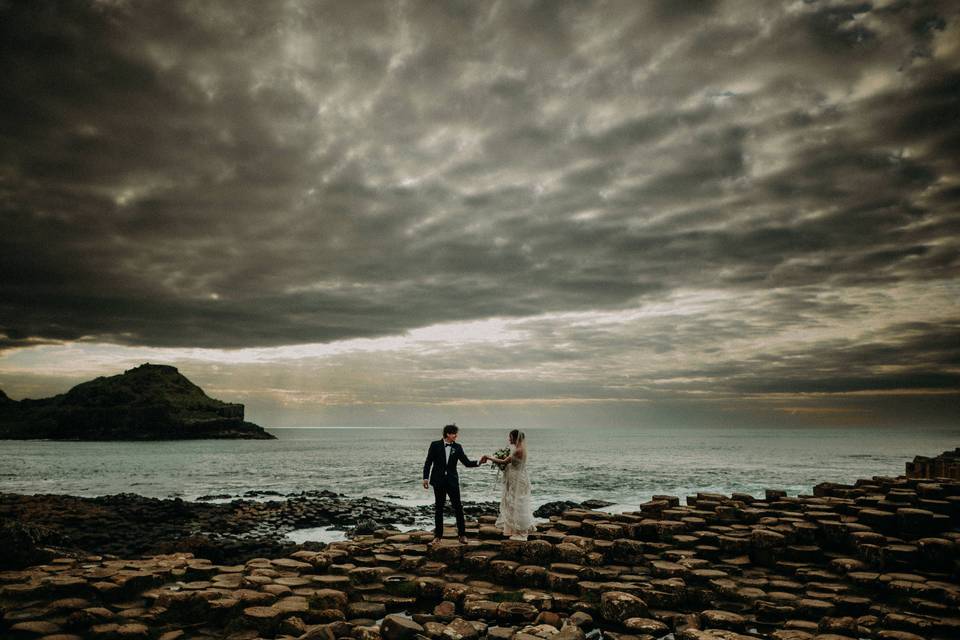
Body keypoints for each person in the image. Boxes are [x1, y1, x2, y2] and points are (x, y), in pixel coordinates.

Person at [422, 424, 484, 545]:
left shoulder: (458, 447)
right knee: (439, 509)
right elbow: (428, 462)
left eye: (456, 433)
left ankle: (462, 535)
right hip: (438, 481)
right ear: (447, 434)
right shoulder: (434, 445)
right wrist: (425, 478)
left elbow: (466, 462)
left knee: (458, 507)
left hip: (452, 481)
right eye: (454, 433)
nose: (456, 435)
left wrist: (479, 462)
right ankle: (438, 537)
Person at [482, 429, 536, 540]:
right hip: (516, 478)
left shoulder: (518, 451)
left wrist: (488, 457)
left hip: (517, 479)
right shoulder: (519, 449)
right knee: (513, 502)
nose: (509, 439)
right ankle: (514, 529)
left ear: (515, 438)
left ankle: (521, 531)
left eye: (510, 437)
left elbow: (504, 462)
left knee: (517, 503)